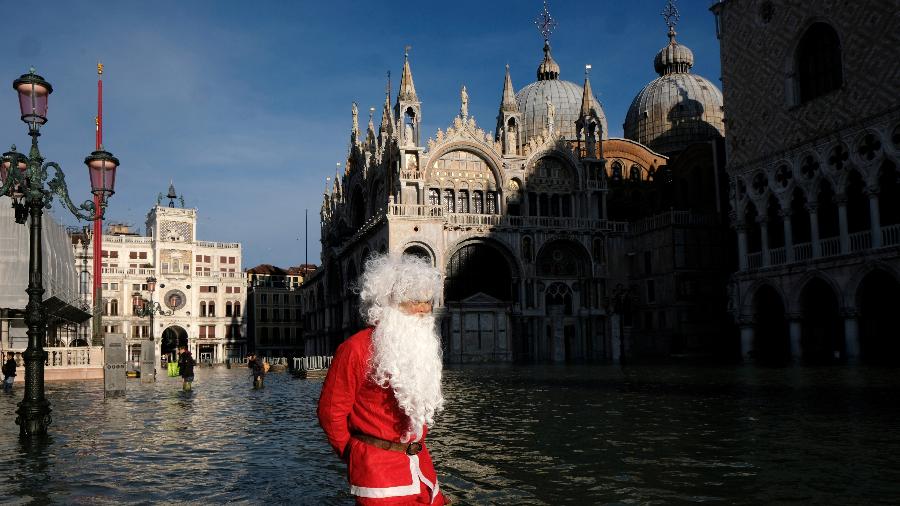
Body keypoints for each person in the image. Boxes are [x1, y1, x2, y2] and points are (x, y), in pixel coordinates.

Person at [318, 253, 450, 505]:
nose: (423, 308)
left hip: (421, 469)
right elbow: (330, 413)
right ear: (390, 303)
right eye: (413, 301)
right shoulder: (354, 349)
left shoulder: (420, 347)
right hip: (378, 477)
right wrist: (357, 453)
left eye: (427, 300)